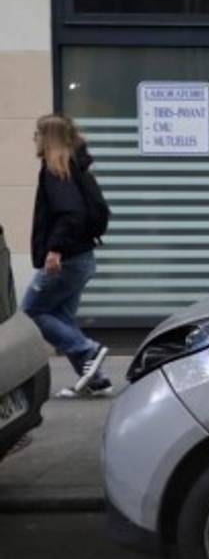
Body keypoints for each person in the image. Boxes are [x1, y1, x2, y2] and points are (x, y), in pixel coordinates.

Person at [23, 114, 113, 397]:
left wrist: (55, 250)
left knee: (33, 312)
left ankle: (89, 350)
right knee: (61, 317)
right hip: (81, 257)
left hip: (67, 259)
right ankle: (96, 380)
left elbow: (71, 213)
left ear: (47, 137)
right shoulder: (75, 168)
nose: (34, 139)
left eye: (37, 134)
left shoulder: (56, 170)